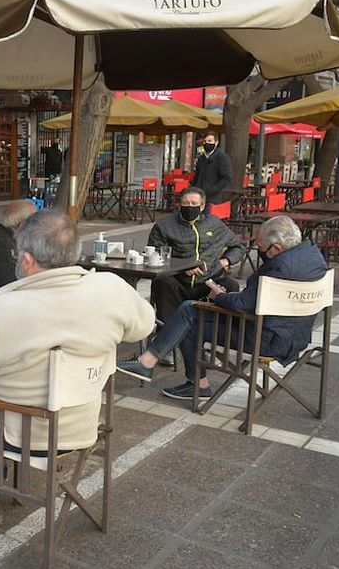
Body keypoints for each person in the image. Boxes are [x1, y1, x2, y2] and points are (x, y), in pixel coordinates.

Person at [0, 211, 155, 528]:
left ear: (27, 259)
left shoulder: (1, 310)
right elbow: (144, 326)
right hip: (82, 424)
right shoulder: (111, 289)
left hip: (23, 433)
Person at [119, 216, 327, 401]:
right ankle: (150, 363)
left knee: (190, 317)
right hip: (295, 334)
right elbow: (257, 300)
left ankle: (188, 381)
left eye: (261, 247)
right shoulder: (312, 256)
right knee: (191, 312)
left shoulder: (279, 267)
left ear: (277, 248)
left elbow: (242, 305)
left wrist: (219, 296)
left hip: (266, 339)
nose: (259, 251)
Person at [148, 186, 244, 323]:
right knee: (162, 282)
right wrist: (182, 267)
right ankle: (168, 329)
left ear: (202, 206)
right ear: (179, 204)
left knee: (231, 285)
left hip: (209, 281)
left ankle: (217, 330)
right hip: (178, 282)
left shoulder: (214, 223)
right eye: (185, 203)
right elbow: (154, 253)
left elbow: (239, 245)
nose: (189, 206)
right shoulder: (164, 226)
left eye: (194, 203)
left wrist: (225, 261)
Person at [191, 132, 232, 210]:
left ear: (216, 143)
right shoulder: (201, 158)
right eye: (205, 141)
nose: (206, 143)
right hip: (198, 197)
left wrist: (211, 190)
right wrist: (194, 189)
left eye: (210, 141)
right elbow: (197, 175)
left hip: (213, 199)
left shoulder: (222, 158)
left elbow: (226, 178)